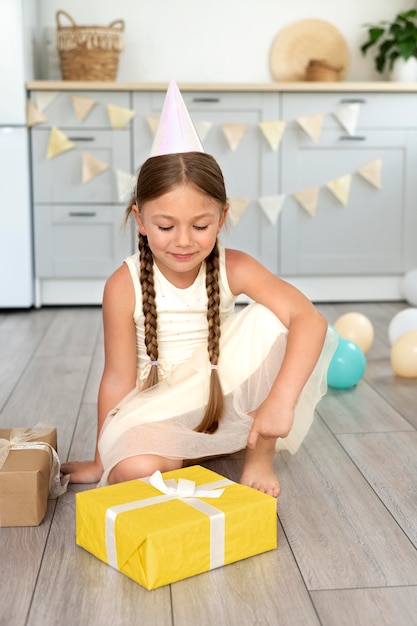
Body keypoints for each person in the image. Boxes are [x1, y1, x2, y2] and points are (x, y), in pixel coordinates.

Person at [61, 82, 336, 497]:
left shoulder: (234, 266)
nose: (184, 241)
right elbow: (117, 377)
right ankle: (182, 449)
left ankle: (257, 455)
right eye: (166, 227)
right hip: (155, 406)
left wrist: (281, 400)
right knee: (134, 470)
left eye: (201, 226)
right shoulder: (125, 284)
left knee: (274, 317)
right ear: (140, 218)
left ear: (222, 217)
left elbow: (309, 319)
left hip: (218, 394)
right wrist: (104, 458)